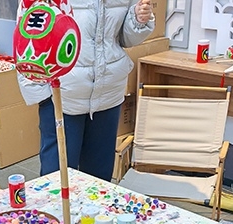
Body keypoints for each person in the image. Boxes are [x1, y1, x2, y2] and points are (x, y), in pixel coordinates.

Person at [18, 0, 154, 181]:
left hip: (108, 94)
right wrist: (42, 96)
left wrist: (138, 20)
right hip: (63, 95)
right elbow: (26, 41)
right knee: (58, 180)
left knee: (98, 181)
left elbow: (124, 39)